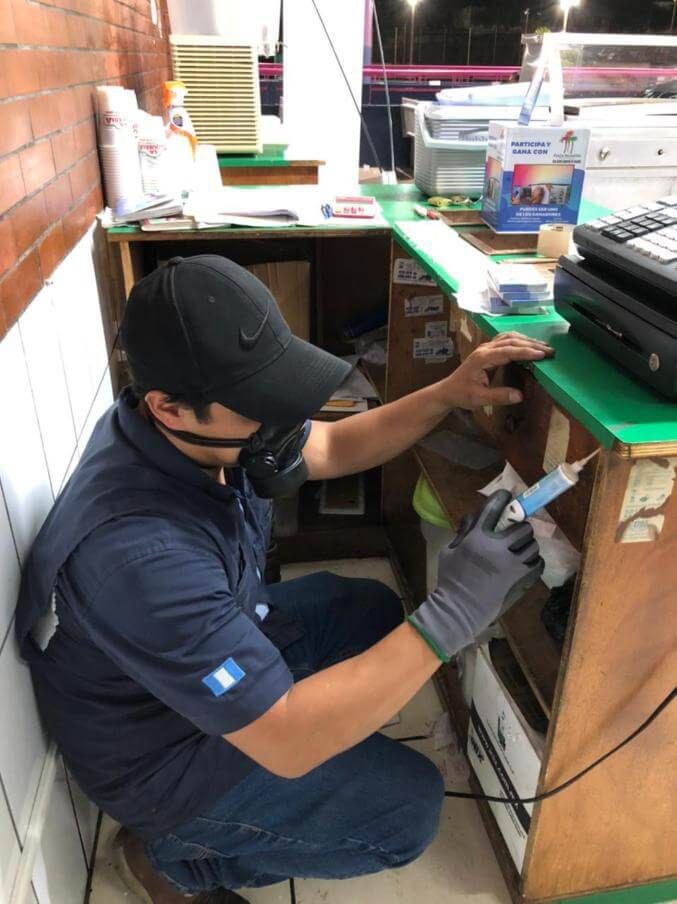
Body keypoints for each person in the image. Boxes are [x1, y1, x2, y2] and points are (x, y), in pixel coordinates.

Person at [16, 256, 551, 904]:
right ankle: (175, 860)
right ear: (170, 407)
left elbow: (329, 446)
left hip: (184, 670)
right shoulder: (140, 558)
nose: (280, 416)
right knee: (405, 809)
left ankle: (287, 743)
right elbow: (290, 739)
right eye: (258, 401)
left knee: (370, 611)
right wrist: (455, 610)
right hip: (159, 757)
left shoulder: (188, 427)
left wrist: (445, 394)